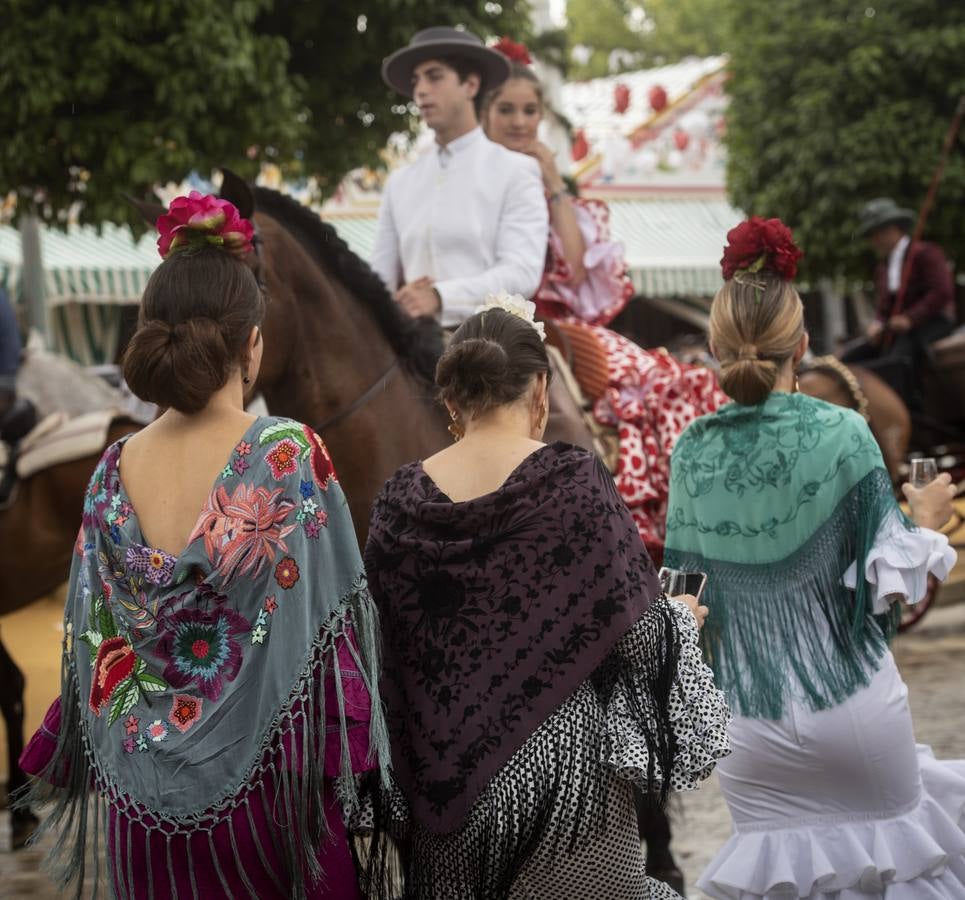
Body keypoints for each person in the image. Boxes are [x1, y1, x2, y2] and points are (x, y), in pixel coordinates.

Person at [16, 193, 388, 898]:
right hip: (270, 798)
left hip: (142, 806)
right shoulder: (284, 452)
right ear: (252, 343)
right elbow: (332, 623)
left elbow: (93, 636)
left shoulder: (111, 468)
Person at [357, 295, 731, 899]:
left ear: (453, 399)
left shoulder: (400, 501)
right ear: (540, 387)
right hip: (567, 792)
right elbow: (638, 638)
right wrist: (679, 621)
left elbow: (378, 650)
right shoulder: (573, 479)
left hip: (444, 802)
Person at [664, 217, 965, 899]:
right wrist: (925, 523)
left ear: (713, 348)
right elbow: (888, 592)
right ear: (802, 345)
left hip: (745, 727)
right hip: (850, 707)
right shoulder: (845, 430)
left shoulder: (690, 448)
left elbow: (682, 596)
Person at [481, 40, 726, 564]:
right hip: (476, 318)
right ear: (482, 113)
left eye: (530, 111)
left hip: (548, 323)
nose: (520, 122)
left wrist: (553, 185)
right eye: (507, 110)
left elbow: (574, 264)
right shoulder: (470, 179)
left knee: (644, 385)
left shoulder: (551, 181)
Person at [370, 27, 548, 327]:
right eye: (416, 81)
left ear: (471, 85)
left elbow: (522, 271)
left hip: (492, 348)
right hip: (411, 345)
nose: (421, 90)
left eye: (434, 76)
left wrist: (440, 297)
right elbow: (379, 278)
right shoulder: (399, 182)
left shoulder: (516, 171)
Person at [841, 197, 956, 407]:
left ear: (892, 229)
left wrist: (911, 319)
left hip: (930, 323)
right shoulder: (883, 268)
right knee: (849, 357)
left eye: (876, 234)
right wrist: (877, 323)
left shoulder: (925, 253)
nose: (873, 241)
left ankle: (911, 408)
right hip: (895, 329)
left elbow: (942, 292)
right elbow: (885, 306)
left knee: (898, 358)